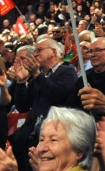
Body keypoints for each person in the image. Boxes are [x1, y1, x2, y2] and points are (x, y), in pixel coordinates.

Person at [11, 38, 78, 171]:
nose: (35, 54)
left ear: (53, 52)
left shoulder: (67, 71)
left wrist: (36, 74)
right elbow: (23, 106)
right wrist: (20, 82)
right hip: (32, 134)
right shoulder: (39, 77)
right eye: (35, 51)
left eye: (39, 50)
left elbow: (57, 94)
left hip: (54, 134)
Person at [67, 37, 105, 115]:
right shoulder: (84, 77)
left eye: (98, 50)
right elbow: (72, 105)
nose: (93, 55)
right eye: (90, 51)